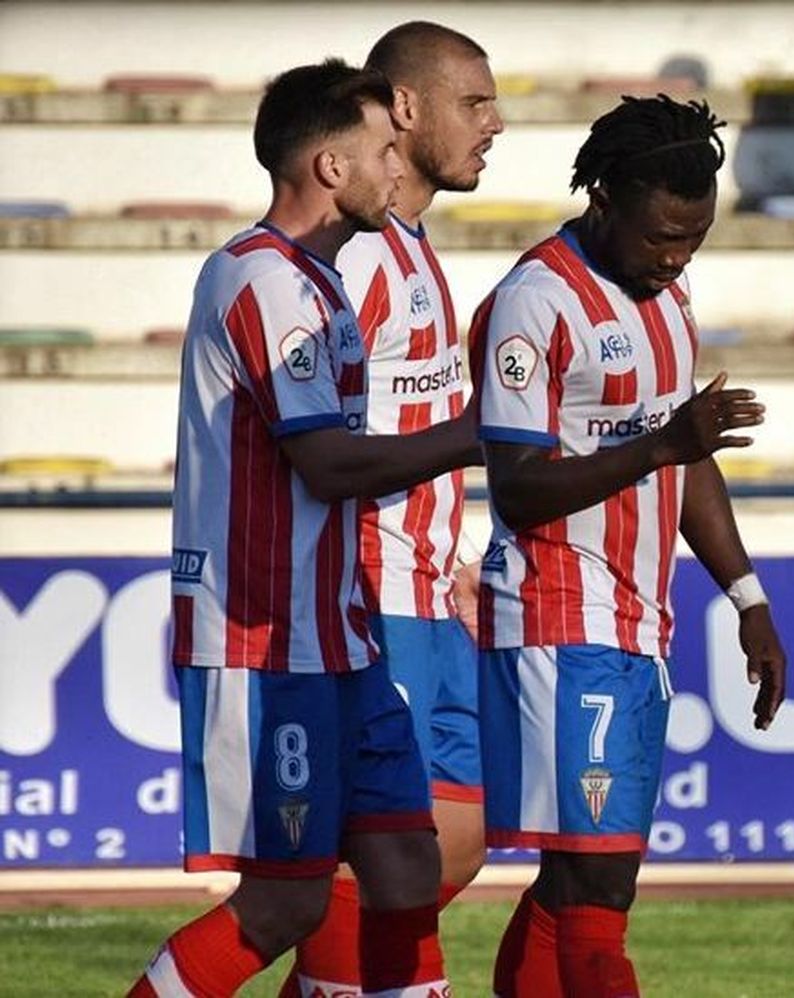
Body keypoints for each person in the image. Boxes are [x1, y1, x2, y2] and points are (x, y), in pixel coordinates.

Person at [131, 59, 482, 996]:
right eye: (378, 151)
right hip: (265, 639)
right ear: (331, 167)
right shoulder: (260, 282)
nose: (392, 166)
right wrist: (477, 437)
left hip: (343, 635)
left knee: (409, 870)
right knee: (286, 902)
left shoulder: (321, 287)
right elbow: (324, 463)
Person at [472, 94, 788, 996]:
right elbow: (517, 483)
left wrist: (749, 601)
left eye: (694, 237)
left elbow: (685, 461)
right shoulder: (533, 303)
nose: (677, 256)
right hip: (558, 613)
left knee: (582, 876)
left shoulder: (667, 298)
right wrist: (660, 444)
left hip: (637, 621)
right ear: (603, 199)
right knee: (600, 877)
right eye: (661, 237)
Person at [272, 23, 504, 995]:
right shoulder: (357, 256)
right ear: (404, 109)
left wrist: (452, 549)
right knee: (398, 850)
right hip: (369, 593)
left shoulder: (408, 247)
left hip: (424, 586)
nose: (495, 124)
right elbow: (321, 441)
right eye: (475, 103)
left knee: (457, 836)